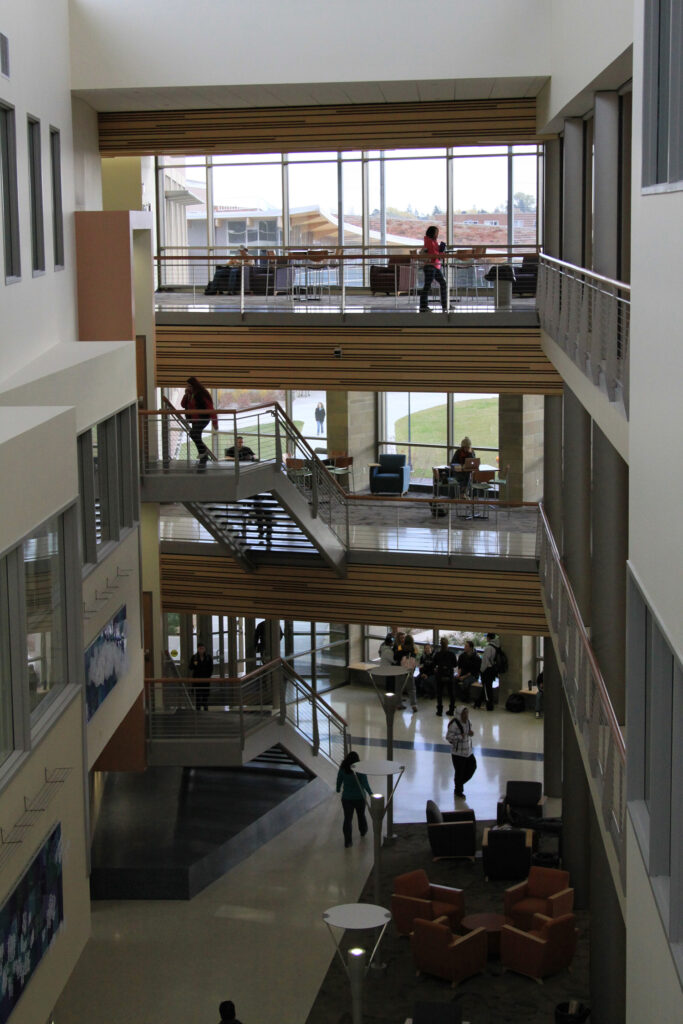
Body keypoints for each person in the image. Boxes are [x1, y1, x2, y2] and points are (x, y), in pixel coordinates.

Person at [181, 376, 218, 469]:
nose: (188, 387)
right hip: (194, 420)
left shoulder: (202, 393)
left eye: (189, 386)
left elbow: (210, 408)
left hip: (203, 418)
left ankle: (203, 452)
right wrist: (186, 395)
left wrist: (215, 423)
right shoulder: (190, 394)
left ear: (194, 385)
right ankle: (203, 455)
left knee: (193, 434)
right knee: (196, 435)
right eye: (187, 386)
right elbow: (182, 404)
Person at [336, 750, 371, 847]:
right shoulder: (360, 769)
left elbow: (339, 780)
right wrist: (371, 793)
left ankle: (348, 841)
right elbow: (365, 783)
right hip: (360, 798)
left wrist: (338, 789)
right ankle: (363, 831)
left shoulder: (343, 769)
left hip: (347, 799)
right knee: (361, 816)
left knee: (347, 819)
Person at [446, 706, 475, 798]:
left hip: (468, 751)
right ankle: (458, 790)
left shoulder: (468, 722)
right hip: (458, 754)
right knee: (459, 772)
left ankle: (459, 783)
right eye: (464, 713)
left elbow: (468, 733)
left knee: (472, 767)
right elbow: (449, 738)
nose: (466, 715)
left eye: (467, 713)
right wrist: (459, 737)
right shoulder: (454, 724)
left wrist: (470, 733)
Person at [418, 225, 448, 313]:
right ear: (432, 233)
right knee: (428, 286)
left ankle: (444, 304)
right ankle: (423, 306)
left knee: (442, 283)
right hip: (431, 266)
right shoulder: (429, 241)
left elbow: (436, 252)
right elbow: (434, 254)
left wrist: (440, 250)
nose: (437, 234)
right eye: (436, 232)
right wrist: (441, 253)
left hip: (435, 266)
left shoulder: (433, 242)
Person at [433, 636, 457, 717]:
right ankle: (451, 710)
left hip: (440, 675)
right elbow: (455, 664)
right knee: (451, 693)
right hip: (449, 675)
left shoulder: (438, 654)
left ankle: (439, 710)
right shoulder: (451, 654)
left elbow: (434, 663)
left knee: (439, 693)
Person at [478, 632, 500, 712]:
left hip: (487, 670)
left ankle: (489, 706)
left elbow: (485, 660)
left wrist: (481, 670)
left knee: (487, 688)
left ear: (488, 638)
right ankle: (478, 703)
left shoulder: (488, 648)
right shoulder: (497, 646)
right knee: (488, 687)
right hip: (493, 669)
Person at [189, 642, 213, 711]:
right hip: (197, 680)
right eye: (200, 649)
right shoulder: (194, 657)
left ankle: (205, 709)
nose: (201, 650)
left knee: (205, 696)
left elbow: (211, 668)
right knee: (198, 696)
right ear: (198, 649)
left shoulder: (208, 657)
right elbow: (190, 667)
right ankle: (198, 711)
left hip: (206, 680)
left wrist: (208, 676)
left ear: (204, 649)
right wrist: (194, 663)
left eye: (202, 648)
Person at [456, 640, 481, 704]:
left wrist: (464, 677)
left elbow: (474, 671)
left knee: (466, 682)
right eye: (465, 646)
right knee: (454, 679)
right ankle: (458, 695)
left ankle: (466, 698)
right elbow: (460, 666)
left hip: (472, 675)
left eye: (466, 646)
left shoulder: (476, 658)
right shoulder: (462, 656)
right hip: (463, 673)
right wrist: (458, 674)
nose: (464, 647)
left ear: (470, 648)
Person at [399, 634, 418, 713]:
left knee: (399, 688)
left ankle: (399, 703)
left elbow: (397, 655)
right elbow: (416, 655)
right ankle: (413, 705)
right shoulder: (414, 648)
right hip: (410, 670)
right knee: (412, 689)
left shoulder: (401, 647)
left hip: (401, 670)